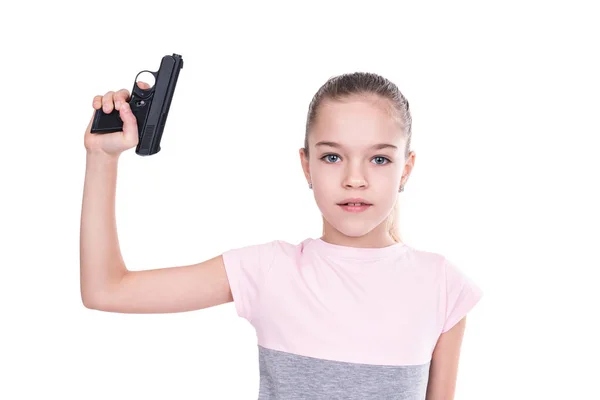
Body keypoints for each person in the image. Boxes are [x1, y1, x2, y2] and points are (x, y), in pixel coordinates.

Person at [80, 72, 483, 399]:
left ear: (406, 169)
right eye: (332, 156)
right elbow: (106, 290)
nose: (354, 179)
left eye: (379, 158)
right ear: (306, 167)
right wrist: (102, 158)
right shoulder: (269, 270)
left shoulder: (443, 285)